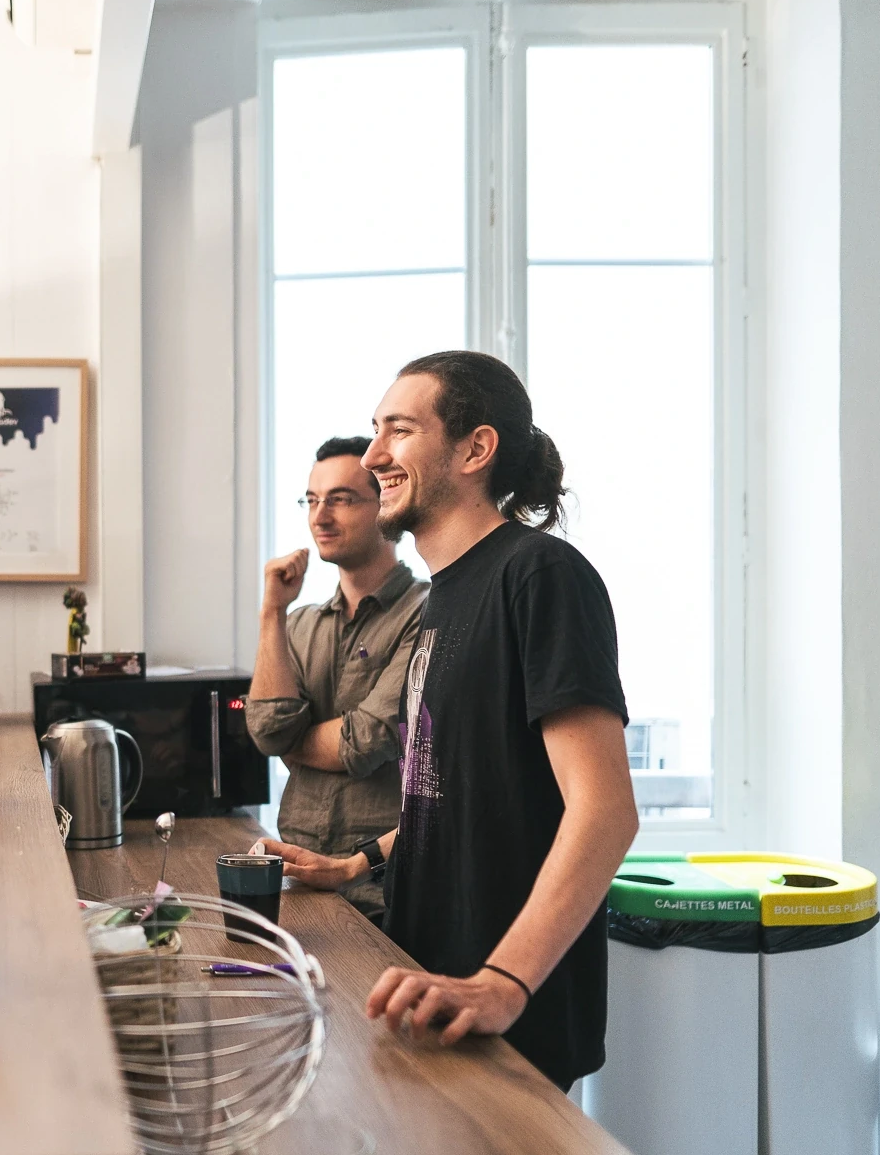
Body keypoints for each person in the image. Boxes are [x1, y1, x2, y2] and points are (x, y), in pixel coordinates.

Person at [258, 351, 638, 1092]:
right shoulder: (444, 597)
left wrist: (500, 982)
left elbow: (605, 811)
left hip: (503, 1009)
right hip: (428, 981)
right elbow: (463, 788)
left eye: (397, 431)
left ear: (475, 449)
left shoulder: (540, 576)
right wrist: (357, 862)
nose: (373, 458)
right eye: (375, 432)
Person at [247, 436, 427, 921]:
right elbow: (266, 732)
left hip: (382, 887)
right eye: (312, 500)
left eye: (341, 499)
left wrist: (295, 741)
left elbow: (368, 740)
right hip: (294, 874)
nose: (320, 516)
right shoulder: (298, 623)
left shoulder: (427, 613)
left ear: (385, 504)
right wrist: (272, 612)